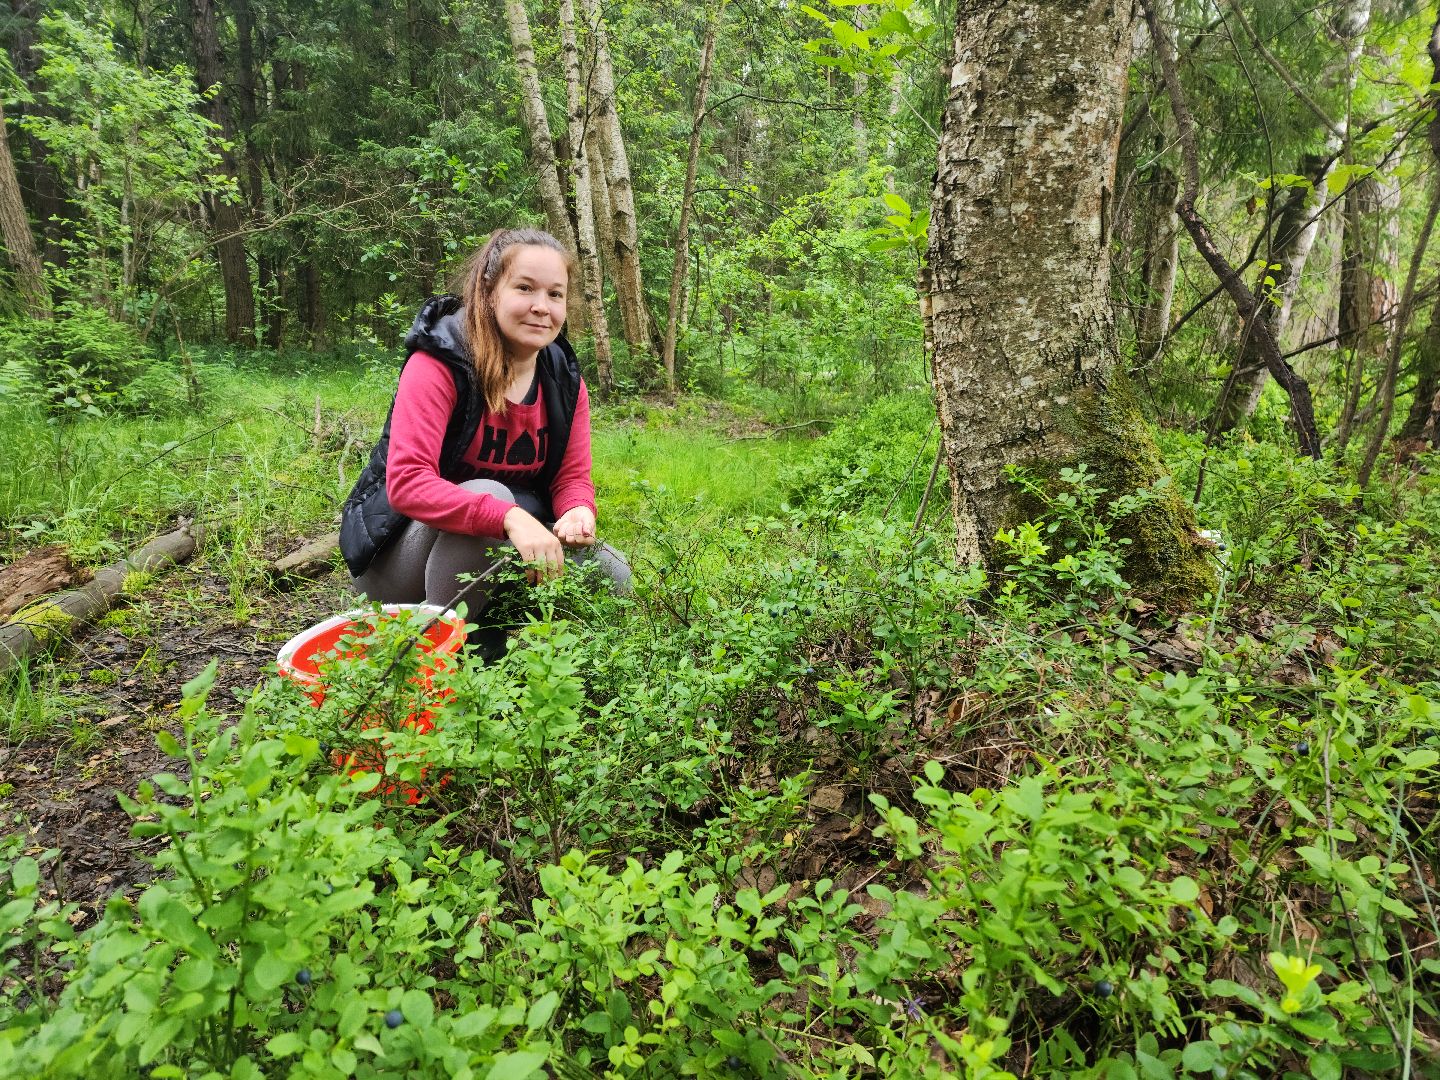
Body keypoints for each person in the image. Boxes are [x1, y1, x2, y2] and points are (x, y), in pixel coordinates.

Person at [339, 227, 631, 656]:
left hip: (498, 545)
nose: (541, 307)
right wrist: (508, 517)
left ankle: (495, 640)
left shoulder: (564, 381)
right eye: (525, 288)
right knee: (487, 496)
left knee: (613, 571)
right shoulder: (439, 363)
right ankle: (432, 661)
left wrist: (576, 511)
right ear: (490, 292)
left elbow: (572, 476)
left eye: (555, 294)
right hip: (399, 561)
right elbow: (407, 483)